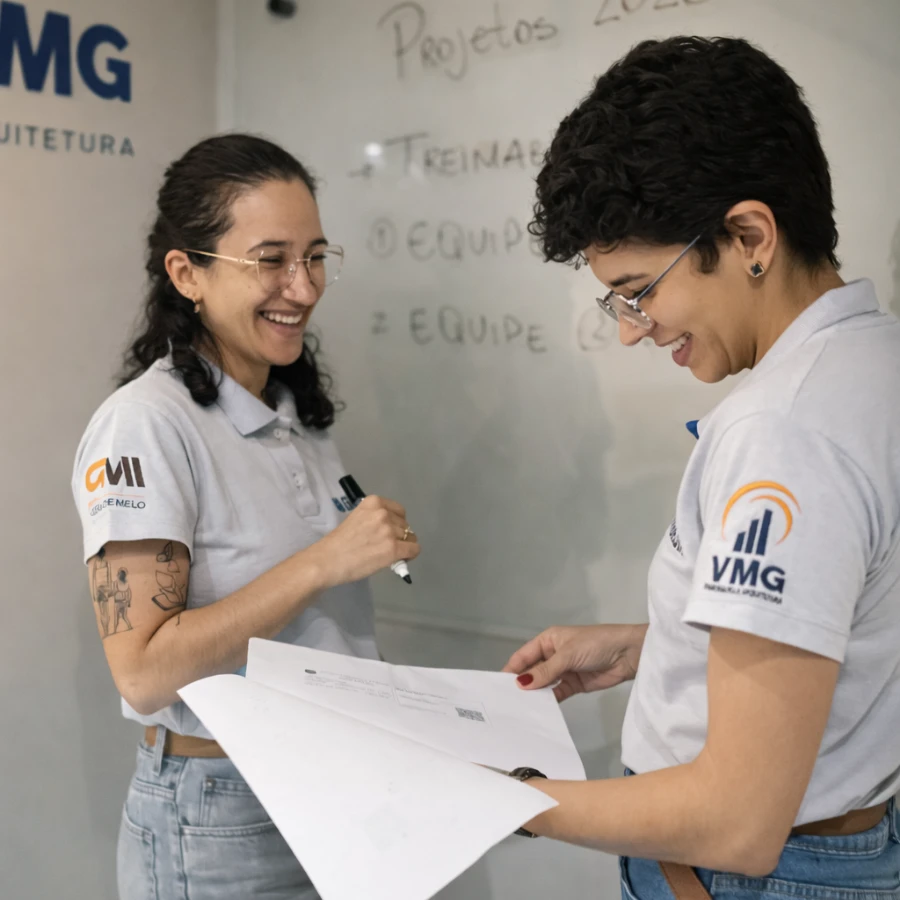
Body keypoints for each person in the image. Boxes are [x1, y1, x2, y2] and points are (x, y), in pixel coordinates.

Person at [503, 36, 900, 899]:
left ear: (749, 235)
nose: (632, 329)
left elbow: (736, 819)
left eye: (641, 290)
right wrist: (662, 643)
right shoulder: (876, 364)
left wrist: (506, 799)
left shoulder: (786, 434)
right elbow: (842, 621)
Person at [71, 134, 420, 900]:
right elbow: (144, 668)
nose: (303, 287)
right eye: (271, 260)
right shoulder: (146, 426)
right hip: (223, 812)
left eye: (316, 256)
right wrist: (327, 560)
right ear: (186, 272)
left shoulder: (295, 409)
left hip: (332, 793)